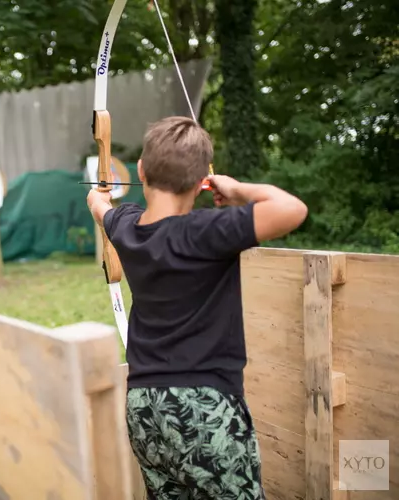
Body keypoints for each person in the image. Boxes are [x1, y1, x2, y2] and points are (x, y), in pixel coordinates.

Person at [86, 116, 307, 499]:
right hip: (205, 408)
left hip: (144, 408)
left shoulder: (126, 227)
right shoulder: (206, 232)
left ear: (141, 169)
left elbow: (98, 204)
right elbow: (292, 209)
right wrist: (235, 189)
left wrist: (101, 195)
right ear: (201, 182)